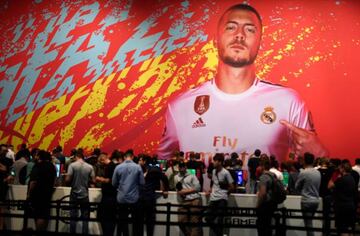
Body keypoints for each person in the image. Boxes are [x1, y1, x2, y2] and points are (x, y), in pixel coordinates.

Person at [157, 3, 328, 164]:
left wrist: (320, 154)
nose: (240, 34)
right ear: (215, 40)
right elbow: (162, 166)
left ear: (260, 44)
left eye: (250, 30)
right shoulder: (180, 106)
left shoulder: (288, 101)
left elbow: (314, 168)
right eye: (231, 27)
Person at [112, 149, 144, 236]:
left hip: (121, 198)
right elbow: (142, 183)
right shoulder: (138, 167)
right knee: (135, 222)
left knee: (122, 221)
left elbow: (114, 183)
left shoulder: (118, 167)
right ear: (132, 157)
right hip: (134, 198)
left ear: (124, 157)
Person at [65, 149, 96, 234]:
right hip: (85, 194)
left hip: (74, 193)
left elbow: (68, 180)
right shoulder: (90, 167)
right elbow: (93, 180)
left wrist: (66, 177)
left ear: (76, 157)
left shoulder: (72, 165)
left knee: (73, 216)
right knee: (85, 217)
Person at [138, 155, 169, 236]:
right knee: (139, 222)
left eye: (140, 160)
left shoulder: (154, 169)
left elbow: (164, 178)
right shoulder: (140, 169)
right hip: (140, 199)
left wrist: (166, 190)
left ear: (144, 161)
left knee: (149, 222)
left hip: (149, 198)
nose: (139, 162)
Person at [205, 153, 234, 236]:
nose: (213, 162)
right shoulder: (214, 171)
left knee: (220, 220)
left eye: (215, 161)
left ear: (220, 162)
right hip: (213, 198)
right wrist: (210, 190)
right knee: (208, 218)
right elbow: (215, 184)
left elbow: (232, 187)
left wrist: (225, 193)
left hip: (222, 199)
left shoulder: (226, 173)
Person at [27, 150, 56, 232]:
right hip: (47, 194)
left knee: (38, 214)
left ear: (40, 156)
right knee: (44, 214)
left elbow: (33, 182)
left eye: (37, 155)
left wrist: (29, 194)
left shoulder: (37, 166)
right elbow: (54, 181)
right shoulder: (52, 166)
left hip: (37, 193)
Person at [328, 161, 357, 236]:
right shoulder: (352, 178)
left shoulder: (341, 179)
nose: (338, 169)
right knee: (348, 228)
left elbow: (329, 186)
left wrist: (334, 177)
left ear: (343, 169)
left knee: (342, 229)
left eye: (340, 168)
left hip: (342, 207)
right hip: (350, 205)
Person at [295, 152, 321, 236]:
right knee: (309, 224)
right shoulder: (318, 172)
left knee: (308, 226)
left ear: (304, 161)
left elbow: (297, 186)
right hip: (316, 201)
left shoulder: (304, 173)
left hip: (306, 201)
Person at [174, 161, 202, 236]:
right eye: (180, 166)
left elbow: (198, 187)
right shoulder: (176, 177)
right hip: (184, 201)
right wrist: (181, 193)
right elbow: (177, 189)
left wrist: (186, 192)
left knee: (194, 223)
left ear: (186, 167)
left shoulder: (192, 176)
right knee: (181, 221)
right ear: (178, 167)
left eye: (183, 166)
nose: (182, 168)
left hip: (194, 200)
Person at [95, 152, 118, 236]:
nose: (101, 165)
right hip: (113, 196)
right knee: (111, 219)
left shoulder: (109, 167)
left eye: (100, 162)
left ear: (102, 159)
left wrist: (99, 178)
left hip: (108, 197)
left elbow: (109, 180)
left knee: (104, 218)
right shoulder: (114, 166)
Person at [256, 154, 277, 236]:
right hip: (272, 204)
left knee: (262, 228)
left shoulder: (264, 177)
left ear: (263, 166)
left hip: (265, 206)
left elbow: (263, 193)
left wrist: (258, 205)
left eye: (260, 165)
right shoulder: (273, 175)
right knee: (268, 227)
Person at [0, 144, 14, 230]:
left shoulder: (8, 160)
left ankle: (1, 227)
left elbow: (13, 171)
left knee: (1, 206)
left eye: (6, 151)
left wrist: (10, 176)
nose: (5, 152)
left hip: (2, 185)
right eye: (3, 151)